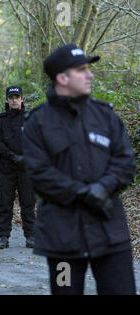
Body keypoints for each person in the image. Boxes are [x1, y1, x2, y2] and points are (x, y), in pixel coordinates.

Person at [22, 43, 136, 295]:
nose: (90, 74)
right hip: (62, 240)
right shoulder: (37, 123)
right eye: (82, 70)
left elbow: (126, 162)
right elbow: (39, 174)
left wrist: (102, 188)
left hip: (110, 234)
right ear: (62, 78)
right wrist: (86, 194)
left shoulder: (104, 116)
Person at [0, 86, 36, 249]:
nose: (14, 100)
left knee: (28, 203)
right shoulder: (0, 120)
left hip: (26, 169)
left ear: (22, 99)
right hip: (6, 168)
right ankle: (3, 237)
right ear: (7, 100)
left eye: (17, 97)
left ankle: (31, 236)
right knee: (5, 203)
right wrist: (12, 156)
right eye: (11, 97)